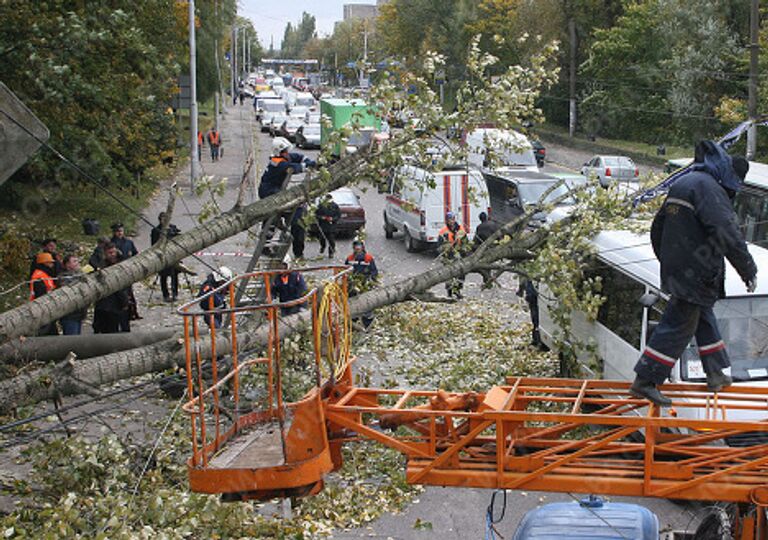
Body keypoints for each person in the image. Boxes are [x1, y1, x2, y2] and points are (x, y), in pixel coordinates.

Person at [630, 142, 758, 407]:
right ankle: (645, 380)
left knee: (702, 316)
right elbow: (728, 234)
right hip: (697, 273)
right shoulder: (710, 191)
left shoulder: (688, 182)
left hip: (682, 269)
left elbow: (658, 227)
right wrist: (748, 270)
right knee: (679, 325)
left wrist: (668, 260)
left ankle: (715, 374)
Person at [93, 243, 131, 334]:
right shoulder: (103, 266)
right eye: (110, 253)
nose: (113, 254)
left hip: (121, 302)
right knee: (108, 330)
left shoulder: (122, 262)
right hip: (108, 305)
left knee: (124, 328)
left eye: (114, 252)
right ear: (105, 254)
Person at [111, 223, 140, 323]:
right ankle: (124, 312)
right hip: (117, 271)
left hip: (128, 269)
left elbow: (135, 254)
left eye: (121, 231)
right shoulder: (112, 243)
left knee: (129, 291)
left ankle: (133, 312)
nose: (120, 233)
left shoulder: (128, 242)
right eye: (118, 231)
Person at [345, 240, 378, 328]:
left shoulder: (368, 258)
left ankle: (367, 322)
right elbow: (345, 271)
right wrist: (349, 280)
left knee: (366, 303)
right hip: (352, 285)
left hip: (365, 285)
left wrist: (370, 280)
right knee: (352, 302)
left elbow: (374, 271)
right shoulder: (350, 259)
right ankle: (353, 320)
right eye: (356, 247)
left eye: (359, 247)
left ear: (362, 248)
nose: (358, 249)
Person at [150, 212, 181, 302]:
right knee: (163, 276)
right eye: (162, 219)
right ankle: (165, 294)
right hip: (162, 256)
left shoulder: (172, 228)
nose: (164, 221)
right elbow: (153, 245)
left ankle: (175, 293)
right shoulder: (155, 230)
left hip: (173, 255)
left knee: (174, 275)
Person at [439, 212, 469, 299]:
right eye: (449, 220)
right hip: (448, 256)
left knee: (461, 274)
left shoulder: (460, 230)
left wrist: (463, 251)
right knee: (449, 275)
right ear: (447, 221)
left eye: (452, 219)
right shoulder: (443, 232)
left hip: (459, 255)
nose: (451, 221)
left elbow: (466, 243)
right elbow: (439, 247)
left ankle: (457, 290)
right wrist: (445, 249)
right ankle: (449, 291)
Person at [29, 252, 59, 336]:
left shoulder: (45, 274)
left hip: (47, 308)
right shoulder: (39, 276)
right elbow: (41, 294)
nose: (52, 265)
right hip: (43, 309)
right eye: (50, 263)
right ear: (45, 263)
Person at [58, 255, 87, 335]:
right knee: (71, 341)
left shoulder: (80, 274)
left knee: (77, 341)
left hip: (79, 314)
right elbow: (68, 289)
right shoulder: (63, 276)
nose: (77, 263)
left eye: (77, 261)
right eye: (74, 261)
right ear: (67, 264)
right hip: (70, 315)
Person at [474, 212, 500, 288]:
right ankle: (489, 280)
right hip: (494, 246)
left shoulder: (479, 227)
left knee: (486, 265)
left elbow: (477, 238)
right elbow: (498, 235)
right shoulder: (493, 224)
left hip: (485, 248)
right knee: (490, 264)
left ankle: (487, 281)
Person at [517, 278, 541, 347]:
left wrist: (521, 289)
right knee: (536, 318)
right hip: (533, 290)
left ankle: (537, 339)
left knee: (536, 318)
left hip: (533, 292)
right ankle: (537, 339)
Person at [316, 194, 341, 259]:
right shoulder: (321, 205)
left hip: (331, 226)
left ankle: (331, 252)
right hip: (323, 226)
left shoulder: (335, 206)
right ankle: (323, 246)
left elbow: (338, 216)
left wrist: (333, 219)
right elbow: (316, 214)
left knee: (331, 240)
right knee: (322, 239)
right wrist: (322, 217)